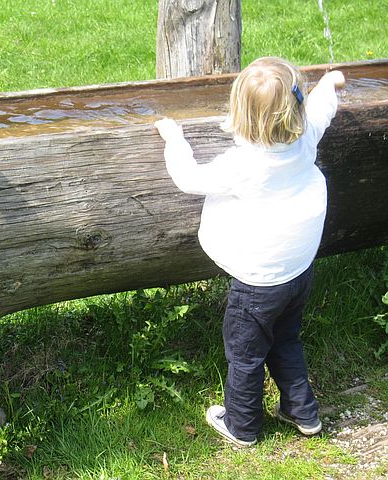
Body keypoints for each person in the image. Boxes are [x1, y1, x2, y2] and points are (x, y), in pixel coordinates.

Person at [154, 57, 346, 447]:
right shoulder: (305, 136)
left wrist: (174, 139)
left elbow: (190, 179)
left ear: (239, 113)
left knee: (245, 355)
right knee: (286, 339)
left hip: (257, 283)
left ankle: (242, 426)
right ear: (296, 105)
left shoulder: (244, 164)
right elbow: (321, 108)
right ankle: (301, 411)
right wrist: (330, 83)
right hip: (297, 272)